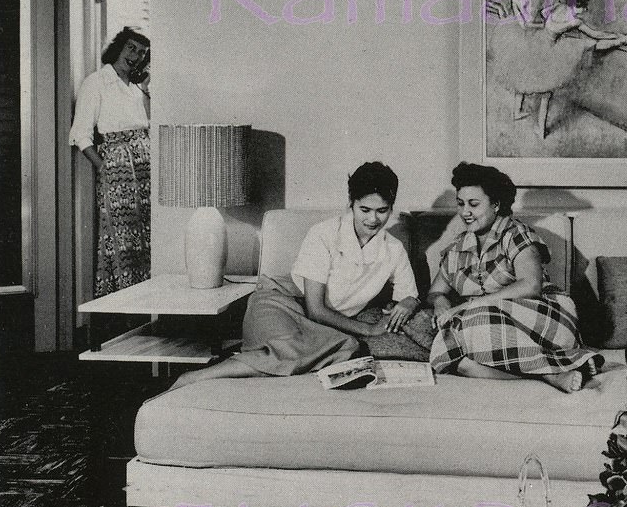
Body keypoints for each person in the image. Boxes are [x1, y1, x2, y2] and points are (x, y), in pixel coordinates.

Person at [169, 162, 419, 390]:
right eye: (365, 209)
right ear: (351, 204)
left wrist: (409, 300)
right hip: (280, 303)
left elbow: (408, 295)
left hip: (320, 328)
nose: (373, 219)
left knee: (349, 348)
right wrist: (368, 329)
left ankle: (259, 363)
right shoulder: (324, 234)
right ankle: (195, 377)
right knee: (291, 346)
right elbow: (315, 309)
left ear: (391, 207)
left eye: (382, 210)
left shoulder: (393, 249)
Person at [426, 162, 603, 393]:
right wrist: (440, 302)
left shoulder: (516, 234)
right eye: (460, 204)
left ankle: (551, 367)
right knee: (459, 359)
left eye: (474, 204)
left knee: (469, 325)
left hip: (540, 317)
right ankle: (549, 375)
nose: (465, 212)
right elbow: (435, 291)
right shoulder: (458, 247)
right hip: (487, 327)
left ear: (496, 204)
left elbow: (531, 285)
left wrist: (467, 307)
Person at [69, 27, 152, 296]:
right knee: (123, 235)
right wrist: (104, 167)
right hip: (118, 169)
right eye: (131, 48)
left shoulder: (138, 88)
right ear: (118, 47)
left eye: (141, 52)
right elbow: (80, 134)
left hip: (145, 166)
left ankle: (145, 301)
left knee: (148, 236)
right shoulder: (97, 82)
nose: (136, 56)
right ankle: (122, 303)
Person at [489, 0, 627, 138]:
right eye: (583, 8)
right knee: (547, 91)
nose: (584, 11)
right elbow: (596, 34)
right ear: (578, 6)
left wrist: (552, 30)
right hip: (548, 50)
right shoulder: (575, 21)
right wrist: (617, 35)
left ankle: (517, 112)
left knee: (522, 75)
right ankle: (540, 130)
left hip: (535, 42)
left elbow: (543, 14)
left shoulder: (558, 6)